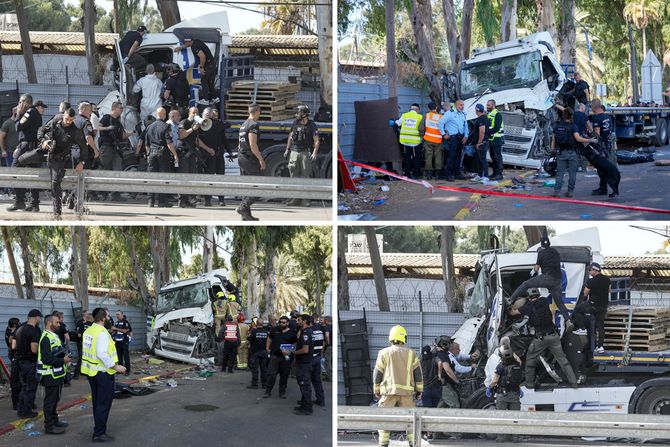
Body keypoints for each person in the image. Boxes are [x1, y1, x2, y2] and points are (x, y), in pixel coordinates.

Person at [509, 289, 578, 388]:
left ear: (529, 297)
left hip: (540, 339)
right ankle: (574, 382)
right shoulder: (545, 302)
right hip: (554, 336)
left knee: (530, 361)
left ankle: (529, 384)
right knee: (563, 361)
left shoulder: (527, 307)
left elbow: (513, 313)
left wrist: (510, 306)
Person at [81, 308, 126, 443]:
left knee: (97, 403)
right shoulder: (102, 333)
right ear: (102, 318)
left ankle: (98, 429)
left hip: (91, 373)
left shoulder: (89, 330)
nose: (109, 318)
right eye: (107, 316)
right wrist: (115, 366)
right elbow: (101, 354)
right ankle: (99, 433)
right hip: (103, 373)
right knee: (103, 404)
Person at [374, 325, 423, 447]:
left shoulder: (384, 353)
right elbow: (418, 374)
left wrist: (376, 388)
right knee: (410, 419)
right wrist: (419, 390)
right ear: (404, 338)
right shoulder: (411, 353)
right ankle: (413, 442)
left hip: (388, 392)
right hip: (406, 393)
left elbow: (377, 372)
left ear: (391, 337)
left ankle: (383, 443)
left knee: (385, 417)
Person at [38, 108, 89, 219]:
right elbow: (41, 130)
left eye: (71, 120)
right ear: (63, 116)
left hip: (62, 159)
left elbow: (84, 148)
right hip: (49, 154)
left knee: (55, 183)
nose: (68, 122)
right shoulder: (56, 120)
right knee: (24, 160)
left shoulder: (75, 131)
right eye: (66, 119)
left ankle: (57, 213)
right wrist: (43, 141)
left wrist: (82, 162)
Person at [508, 236, 570, 323]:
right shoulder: (555, 252)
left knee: (526, 284)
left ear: (541, 245)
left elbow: (536, 269)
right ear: (549, 243)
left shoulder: (541, 253)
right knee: (560, 303)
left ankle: (510, 299)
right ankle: (568, 320)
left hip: (547, 278)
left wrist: (533, 271)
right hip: (557, 281)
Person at [37, 314, 72, 435]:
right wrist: (63, 360)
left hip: (57, 374)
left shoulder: (54, 336)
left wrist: (65, 356)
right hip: (49, 375)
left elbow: (56, 352)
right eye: (57, 322)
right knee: (50, 401)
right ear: (49, 323)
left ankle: (55, 420)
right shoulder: (45, 337)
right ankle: (49, 426)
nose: (59, 324)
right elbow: (46, 359)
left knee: (55, 399)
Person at [552, 107, 597, 198]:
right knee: (572, 173)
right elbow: (578, 138)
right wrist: (590, 140)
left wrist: (553, 149)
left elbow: (553, 139)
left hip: (560, 152)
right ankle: (570, 191)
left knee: (560, 173)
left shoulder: (557, 126)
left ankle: (557, 192)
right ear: (571, 116)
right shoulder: (573, 126)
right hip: (572, 152)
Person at [9, 95, 43, 212]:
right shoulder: (34, 112)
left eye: (20, 102)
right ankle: (34, 204)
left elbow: (18, 126)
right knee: (34, 175)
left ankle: (20, 201)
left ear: (25, 102)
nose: (19, 105)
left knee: (14, 171)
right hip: (32, 147)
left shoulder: (29, 112)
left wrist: (18, 114)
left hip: (27, 147)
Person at [488, 337, 523, 443]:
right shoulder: (517, 365)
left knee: (501, 416)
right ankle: (515, 437)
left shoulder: (500, 366)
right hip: (515, 394)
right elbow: (518, 362)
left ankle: (502, 437)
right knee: (515, 417)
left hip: (502, 395)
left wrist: (490, 388)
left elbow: (494, 381)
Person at [284, 105, 320, 206]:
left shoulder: (311, 125)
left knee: (306, 176)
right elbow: (290, 137)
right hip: (294, 152)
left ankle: (306, 200)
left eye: (298, 113)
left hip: (305, 152)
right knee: (293, 176)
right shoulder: (295, 123)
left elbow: (316, 140)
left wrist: (314, 153)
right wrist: (287, 150)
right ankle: (295, 199)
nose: (296, 115)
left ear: (304, 114)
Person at [236, 103, 266, 221]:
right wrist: (260, 159)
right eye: (260, 111)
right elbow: (253, 145)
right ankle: (242, 207)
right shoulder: (253, 125)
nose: (260, 114)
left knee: (248, 185)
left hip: (242, 156)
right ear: (257, 111)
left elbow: (239, 144)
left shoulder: (243, 125)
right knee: (259, 185)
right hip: (249, 158)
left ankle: (246, 215)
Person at [145, 107, 179, 207]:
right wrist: (175, 154)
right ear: (164, 115)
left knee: (151, 177)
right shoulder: (166, 126)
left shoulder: (149, 127)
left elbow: (146, 144)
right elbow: (169, 143)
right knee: (162, 177)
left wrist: (148, 155)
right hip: (162, 154)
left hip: (152, 154)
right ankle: (161, 201)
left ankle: (150, 201)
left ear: (156, 114)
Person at [14, 309, 42, 418]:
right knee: (30, 388)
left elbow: (14, 345)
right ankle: (26, 411)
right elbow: (34, 349)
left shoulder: (20, 329)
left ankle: (21, 410)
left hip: (20, 362)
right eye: (39, 318)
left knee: (24, 387)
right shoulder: (34, 331)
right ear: (36, 317)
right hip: (30, 363)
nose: (39, 320)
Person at [198, 107, 228, 206]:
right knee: (214, 178)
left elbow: (224, 138)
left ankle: (217, 200)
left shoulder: (216, 123)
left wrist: (229, 151)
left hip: (215, 154)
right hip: (209, 154)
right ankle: (211, 200)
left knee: (215, 177)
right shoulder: (203, 124)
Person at [175, 37, 217, 104]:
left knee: (204, 81)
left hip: (208, 65)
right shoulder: (197, 41)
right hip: (212, 64)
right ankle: (215, 98)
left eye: (185, 42)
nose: (185, 44)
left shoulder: (194, 47)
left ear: (188, 41)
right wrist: (181, 48)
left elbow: (202, 56)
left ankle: (206, 100)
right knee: (209, 82)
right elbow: (188, 44)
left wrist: (201, 67)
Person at [264, 315, 297, 399]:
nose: (281, 324)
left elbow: (295, 344)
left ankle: (282, 392)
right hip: (275, 356)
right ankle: (268, 391)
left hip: (286, 357)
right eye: (280, 322)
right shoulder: (275, 330)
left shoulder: (292, 332)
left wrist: (290, 351)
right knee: (271, 375)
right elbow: (269, 339)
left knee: (284, 375)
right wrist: (267, 348)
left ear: (287, 323)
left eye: (283, 322)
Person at [98, 102, 135, 174]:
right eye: (120, 108)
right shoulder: (106, 117)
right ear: (114, 108)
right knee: (104, 167)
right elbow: (98, 127)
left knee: (118, 167)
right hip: (106, 147)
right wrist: (107, 128)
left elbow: (122, 136)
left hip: (115, 147)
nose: (122, 110)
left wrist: (131, 132)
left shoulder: (118, 122)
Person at [177, 106, 202, 208]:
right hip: (184, 152)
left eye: (197, 113)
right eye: (193, 113)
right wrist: (192, 129)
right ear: (189, 113)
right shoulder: (184, 122)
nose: (195, 114)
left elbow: (196, 139)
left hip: (191, 153)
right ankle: (181, 200)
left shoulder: (196, 124)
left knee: (191, 177)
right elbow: (181, 135)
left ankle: (188, 200)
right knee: (184, 177)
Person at [583, 262, 611, 353]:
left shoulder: (591, 281)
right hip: (603, 306)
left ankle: (592, 345)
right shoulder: (607, 279)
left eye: (590, 270)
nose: (589, 272)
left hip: (593, 306)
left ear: (595, 270)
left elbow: (585, 293)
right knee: (600, 325)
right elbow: (609, 290)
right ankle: (600, 346)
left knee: (591, 326)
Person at [438, 99, 468, 181]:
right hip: (453, 138)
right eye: (460, 105)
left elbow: (465, 126)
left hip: (461, 138)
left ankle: (457, 173)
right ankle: (448, 174)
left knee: (458, 156)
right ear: (455, 105)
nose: (462, 107)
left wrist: (466, 136)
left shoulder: (462, 114)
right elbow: (440, 122)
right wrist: (443, 134)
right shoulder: (450, 113)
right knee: (451, 156)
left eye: (463, 105)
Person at [293, 314, 316, 415]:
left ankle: (307, 408)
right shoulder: (305, 331)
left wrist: (293, 352)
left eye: (299, 320)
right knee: (303, 384)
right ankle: (303, 404)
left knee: (304, 385)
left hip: (304, 363)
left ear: (305, 321)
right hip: (304, 362)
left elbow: (305, 349)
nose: (298, 321)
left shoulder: (306, 333)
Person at [396, 103, 424, 179]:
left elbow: (397, 123)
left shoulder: (404, 115)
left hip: (405, 141)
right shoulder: (420, 117)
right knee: (416, 158)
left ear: (410, 109)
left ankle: (407, 174)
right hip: (415, 142)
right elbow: (422, 128)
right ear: (418, 110)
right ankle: (416, 174)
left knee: (407, 158)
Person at [422, 102, 443, 181]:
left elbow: (421, 128)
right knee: (438, 156)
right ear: (436, 108)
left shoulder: (426, 116)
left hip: (428, 139)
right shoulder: (441, 117)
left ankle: (429, 175)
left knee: (428, 156)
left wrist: (423, 135)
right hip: (438, 140)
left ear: (428, 108)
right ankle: (438, 174)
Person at [246, 316, 269, 389]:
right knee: (264, 369)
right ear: (263, 324)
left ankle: (255, 384)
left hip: (255, 352)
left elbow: (249, 339)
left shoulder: (254, 331)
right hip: (264, 352)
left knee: (255, 369)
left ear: (256, 323)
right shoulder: (266, 332)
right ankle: (264, 384)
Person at [51, 311, 71, 386]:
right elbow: (67, 337)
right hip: (61, 347)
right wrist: (67, 345)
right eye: (62, 317)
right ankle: (67, 380)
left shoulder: (51, 325)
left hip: (53, 347)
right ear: (60, 318)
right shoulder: (62, 325)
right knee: (66, 363)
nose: (63, 319)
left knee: (56, 362)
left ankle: (56, 378)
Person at [486, 99, 504, 180]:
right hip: (491, 139)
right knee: (493, 157)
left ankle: (499, 174)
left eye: (489, 105)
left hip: (497, 139)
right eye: (487, 105)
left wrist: (486, 131)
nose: (487, 106)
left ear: (493, 106)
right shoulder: (489, 114)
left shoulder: (497, 114)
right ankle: (495, 173)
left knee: (497, 157)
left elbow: (496, 128)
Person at [309, 316, 325, 407]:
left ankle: (306, 401)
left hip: (310, 359)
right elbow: (322, 344)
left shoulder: (309, 332)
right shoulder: (319, 330)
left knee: (305, 381)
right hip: (317, 358)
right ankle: (320, 400)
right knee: (317, 381)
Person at [5, 317, 20, 410]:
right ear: (14, 325)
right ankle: (16, 403)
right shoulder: (11, 332)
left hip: (13, 354)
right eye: (18, 323)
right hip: (14, 355)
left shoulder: (9, 329)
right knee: (16, 380)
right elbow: (11, 342)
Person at [111, 310, 132, 375]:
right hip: (117, 342)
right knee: (119, 357)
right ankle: (120, 370)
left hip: (124, 342)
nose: (117, 316)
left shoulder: (125, 322)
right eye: (116, 314)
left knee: (126, 357)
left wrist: (115, 329)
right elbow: (114, 331)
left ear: (122, 314)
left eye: (118, 314)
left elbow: (125, 331)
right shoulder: (116, 322)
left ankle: (128, 370)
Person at [74, 310, 93, 379]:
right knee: (89, 358)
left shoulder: (82, 324)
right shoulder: (93, 325)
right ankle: (88, 373)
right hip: (90, 344)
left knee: (81, 358)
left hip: (83, 343)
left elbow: (79, 335)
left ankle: (77, 374)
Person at [473, 103, 490, 179]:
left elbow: (482, 131)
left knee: (482, 160)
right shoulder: (485, 118)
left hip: (481, 143)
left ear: (477, 110)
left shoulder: (481, 119)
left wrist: (479, 142)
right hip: (484, 142)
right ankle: (480, 175)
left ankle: (485, 176)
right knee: (480, 160)